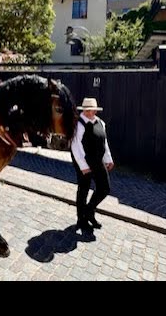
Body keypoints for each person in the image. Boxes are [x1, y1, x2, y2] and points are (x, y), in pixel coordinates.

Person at [70, 97, 115, 233]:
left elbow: (104, 142)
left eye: (91, 110)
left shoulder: (101, 123)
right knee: (83, 189)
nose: (89, 112)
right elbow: (75, 146)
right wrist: (83, 166)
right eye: (86, 110)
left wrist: (108, 158)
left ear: (96, 110)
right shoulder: (79, 124)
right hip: (83, 161)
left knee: (104, 188)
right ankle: (81, 219)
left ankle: (89, 211)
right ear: (83, 110)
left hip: (97, 160)